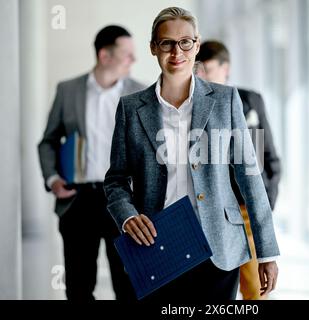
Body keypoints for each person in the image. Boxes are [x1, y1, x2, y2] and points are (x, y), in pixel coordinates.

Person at [104, 7, 279, 301]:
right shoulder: (131, 108)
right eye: (167, 43)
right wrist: (127, 217)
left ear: (196, 46)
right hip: (156, 245)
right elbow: (116, 180)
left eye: (186, 42)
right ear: (153, 48)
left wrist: (267, 252)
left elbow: (250, 177)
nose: (177, 52)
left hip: (219, 248)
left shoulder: (225, 100)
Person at [38, 25, 145, 300]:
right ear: (104, 56)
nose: (134, 60)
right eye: (127, 54)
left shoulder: (141, 93)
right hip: (78, 200)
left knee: (129, 285)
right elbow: (48, 140)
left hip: (123, 200)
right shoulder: (68, 90)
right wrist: (53, 179)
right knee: (78, 286)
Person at [195, 40, 281, 300]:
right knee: (216, 287)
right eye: (198, 69)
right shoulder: (194, 106)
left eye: (207, 69)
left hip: (247, 209)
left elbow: (270, 157)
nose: (202, 75)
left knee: (255, 289)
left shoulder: (249, 100)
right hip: (212, 210)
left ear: (226, 68)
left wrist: (266, 203)